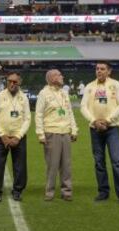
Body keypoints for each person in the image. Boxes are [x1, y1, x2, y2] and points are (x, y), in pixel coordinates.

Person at [80, 61, 119, 205]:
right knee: (99, 162)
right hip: (95, 129)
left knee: (117, 162)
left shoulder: (116, 84)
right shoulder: (90, 86)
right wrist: (94, 121)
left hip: (112, 128)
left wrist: (107, 120)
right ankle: (103, 192)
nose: (99, 71)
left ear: (109, 71)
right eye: (97, 69)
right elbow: (83, 107)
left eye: (102, 69)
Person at [35, 69, 78, 201]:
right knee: (52, 165)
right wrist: (40, 134)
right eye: (59, 75)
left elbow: (69, 112)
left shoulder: (64, 93)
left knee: (66, 165)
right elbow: (39, 114)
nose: (62, 77)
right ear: (52, 78)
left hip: (65, 132)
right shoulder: (44, 93)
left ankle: (67, 192)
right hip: (51, 132)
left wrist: (74, 129)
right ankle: (49, 191)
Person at [0, 72, 31, 202]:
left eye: (15, 82)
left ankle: (17, 190)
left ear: (19, 82)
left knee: (20, 165)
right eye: (9, 81)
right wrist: (2, 135)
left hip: (18, 136)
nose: (12, 84)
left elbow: (27, 119)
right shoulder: (0, 96)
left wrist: (18, 136)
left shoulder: (23, 98)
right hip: (1, 136)